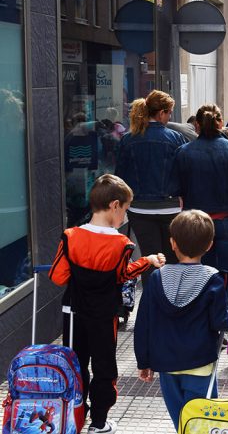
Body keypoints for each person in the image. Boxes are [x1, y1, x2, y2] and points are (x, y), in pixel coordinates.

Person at [49, 174, 166, 434]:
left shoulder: (70, 236)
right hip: (104, 315)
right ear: (114, 205)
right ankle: (99, 422)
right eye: (124, 209)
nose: (124, 215)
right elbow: (122, 276)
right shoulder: (122, 244)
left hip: (73, 312)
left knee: (75, 364)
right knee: (104, 366)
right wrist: (146, 261)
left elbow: (58, 276)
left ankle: (74, 418)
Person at [133, 210, 228, 431]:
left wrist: (144, 361)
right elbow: (218, 320)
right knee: (203, 422)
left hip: (166, 365)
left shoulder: (158, 278)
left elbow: (143, 323)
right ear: (209, 245)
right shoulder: (213, 279)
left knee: (182, 422)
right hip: (200, 364)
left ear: (173, 243)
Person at [171, 104, 228, 306]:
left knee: (199, 275)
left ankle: (203, 319)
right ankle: (220, 321)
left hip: (196, 224)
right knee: (227, 275)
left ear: (197, 125)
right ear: (220, 123)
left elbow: (174, 189)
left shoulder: (183, 152)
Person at [115, 90, 186, 285]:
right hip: (170, 207)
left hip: (139, 208)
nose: (169, 117)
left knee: (149, 258)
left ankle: (151, 304)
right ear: (161, 112)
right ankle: (170, 303)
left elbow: (119, 177)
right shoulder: (175, 138)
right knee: (171, 258)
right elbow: (183, 171)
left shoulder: (128, 139)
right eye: (169, 112)